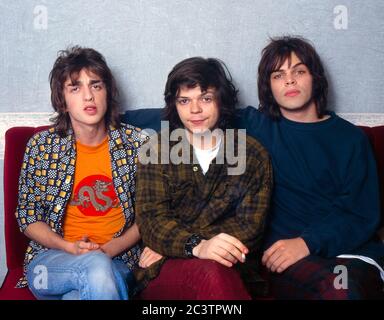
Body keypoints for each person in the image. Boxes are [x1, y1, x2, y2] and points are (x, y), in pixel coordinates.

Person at [239, 36, 384, 299]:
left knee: (344, 289)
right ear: (268, 87)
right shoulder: (256, 126)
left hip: (353, 253)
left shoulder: (351, 139)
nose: (290, 80)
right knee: (335, 290)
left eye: (299, 71)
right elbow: (192, 111)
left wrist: (308, 242)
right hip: (287, 260)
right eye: (278, 75)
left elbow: (362, 213)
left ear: (314, 77)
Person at [133, 57, 273, 299]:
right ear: (174, 105)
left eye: (205, 99)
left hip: (234, 267)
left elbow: (250, 227)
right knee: (210, 272)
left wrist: (177, 246)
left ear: (222, 100)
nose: (194, 110)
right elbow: (151, 221)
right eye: (184, 101)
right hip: (164, 272)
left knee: (216, 270)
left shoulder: (251, 154)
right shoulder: (157, 149)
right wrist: (197, 246)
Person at [15, 46, 147, 300]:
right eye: (75, 88)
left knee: (84, 289)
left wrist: (108, 250)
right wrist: (68, 247)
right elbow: (27, 215)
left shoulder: (137, 143)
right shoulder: (42, 146)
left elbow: (150, 214)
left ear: (107, 92)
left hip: (117, 260)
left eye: (96, 86)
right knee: (95, 270)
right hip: (51, 264)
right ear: (62, 101)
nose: (89, 96)